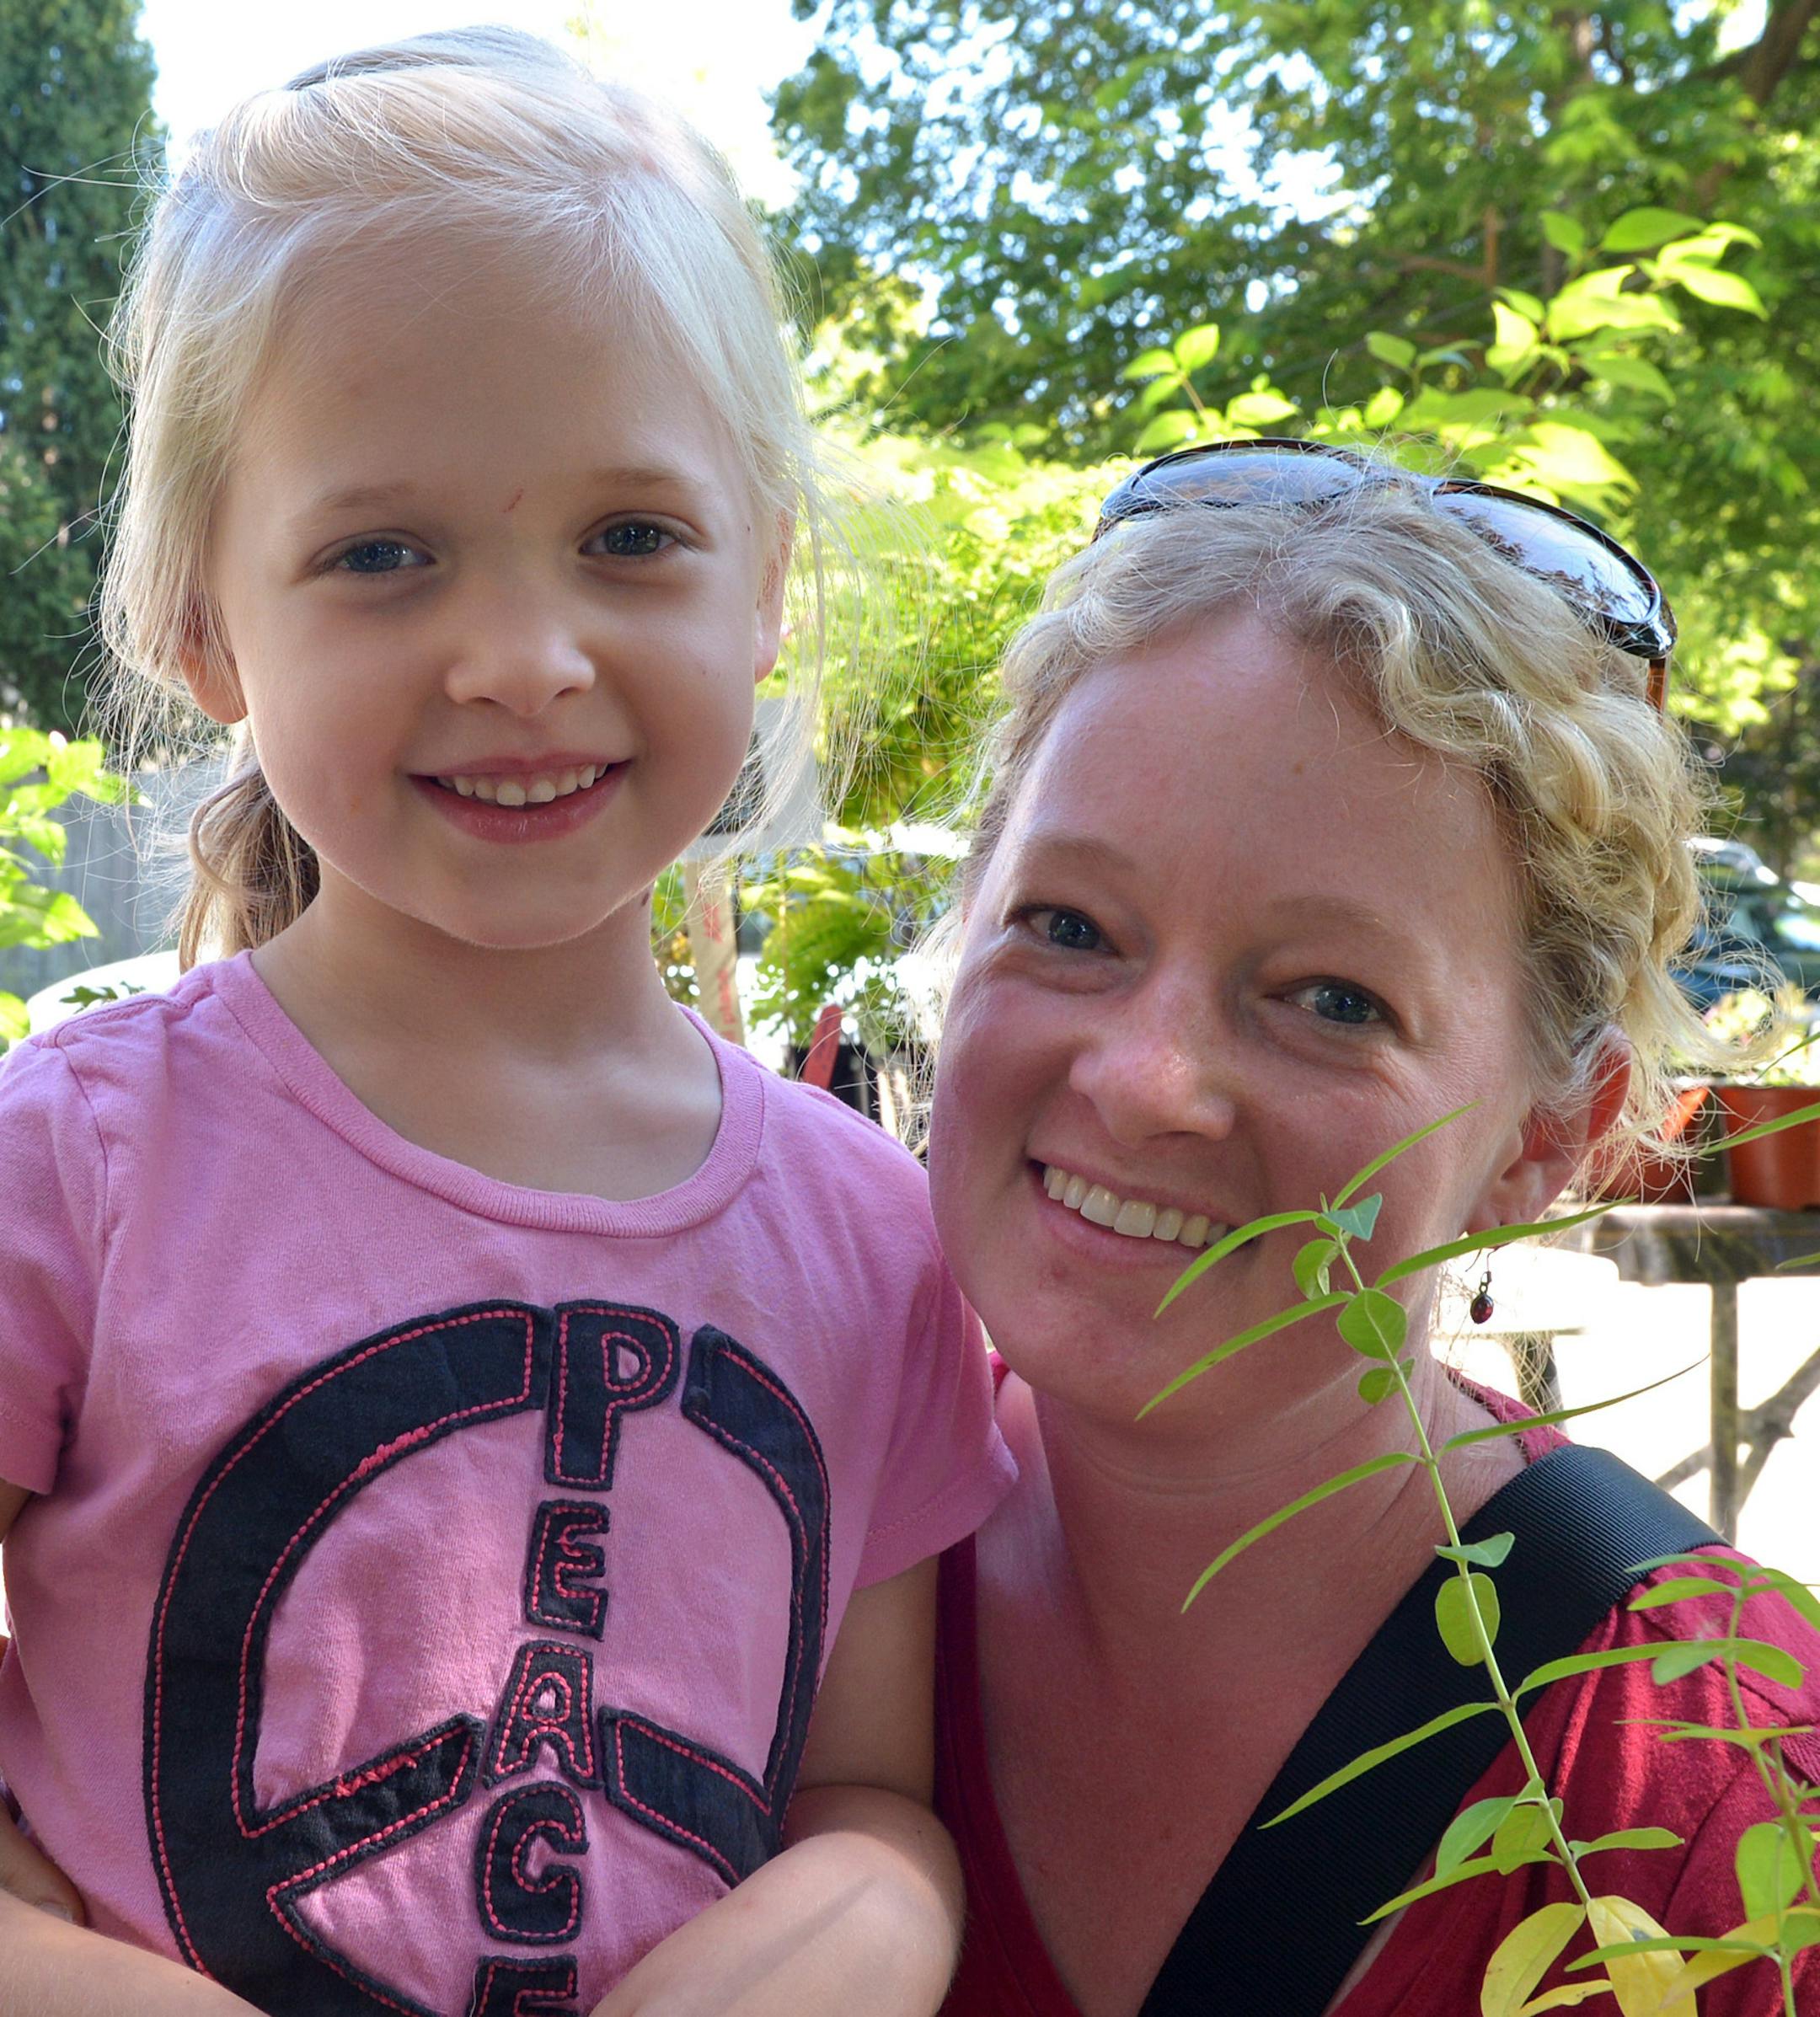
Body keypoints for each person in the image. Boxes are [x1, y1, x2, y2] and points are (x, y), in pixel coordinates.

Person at [0, 30, 1012, 2017]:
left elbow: (866, 1792)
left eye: (631, 538)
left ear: (763, 585)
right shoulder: (74, 1168)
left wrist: (877, 1914)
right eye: (382, 556)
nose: (526, 661)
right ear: (205, 624)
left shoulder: (870, 1235)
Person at [921, 448, 1820, 2015]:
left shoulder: (1726, 1804)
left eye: (1333, 999)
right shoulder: (735, 1563)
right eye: (1069, 926)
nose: (1145, 1081)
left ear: (1547, 1134)